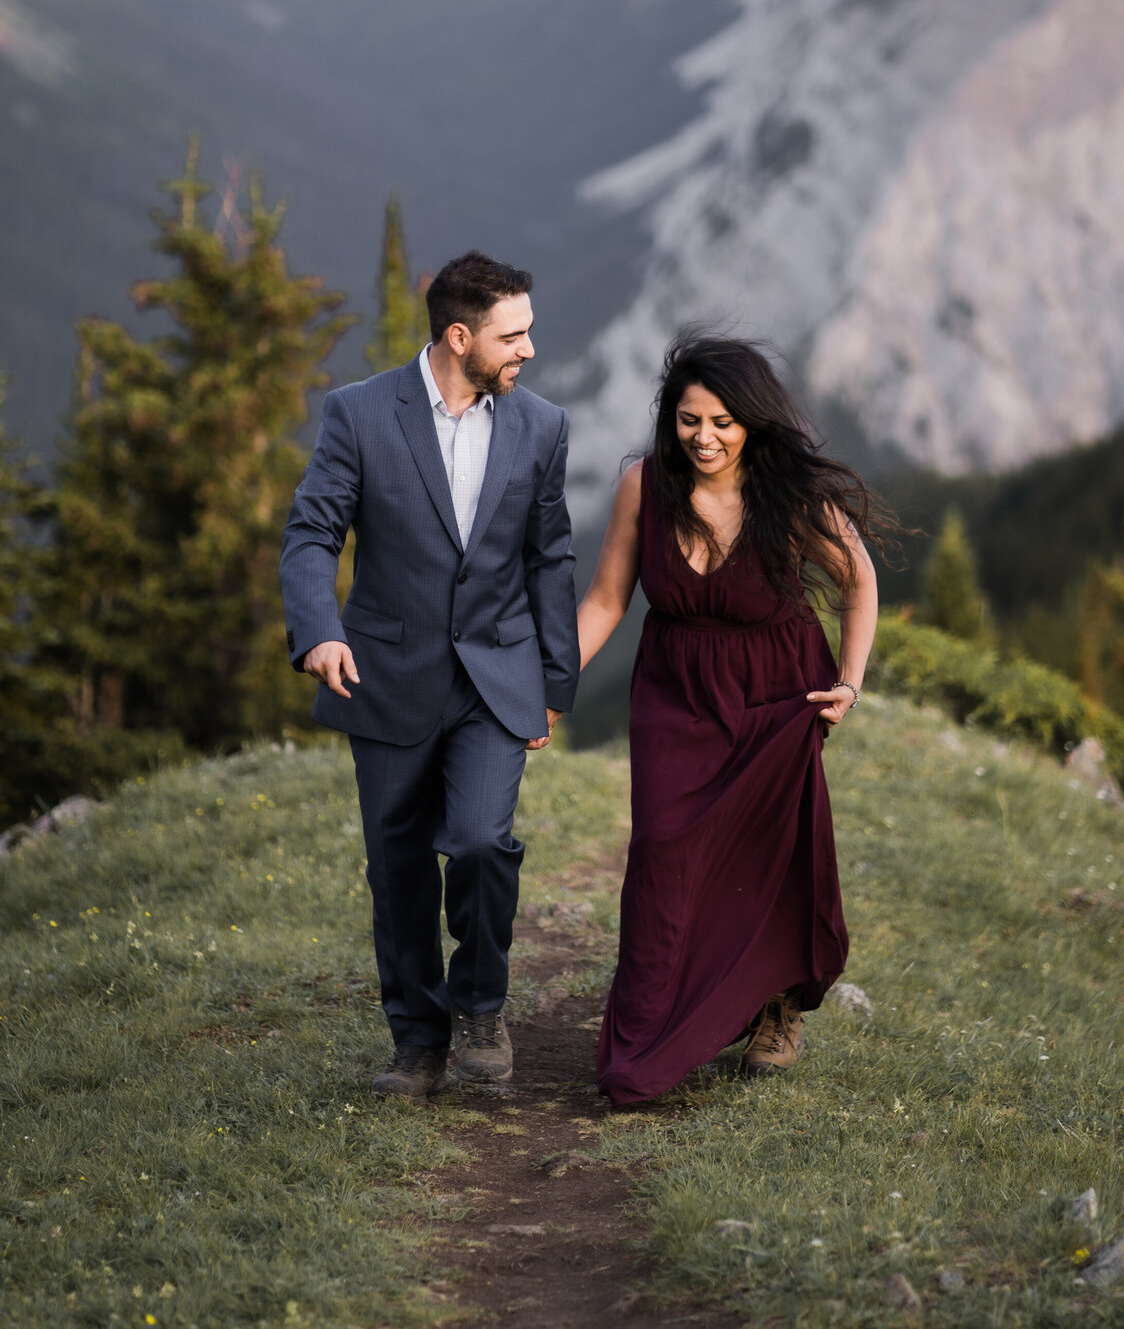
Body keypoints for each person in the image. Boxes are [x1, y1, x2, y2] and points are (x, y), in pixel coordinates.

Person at [279, 251, 579, 1100]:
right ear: (459, 337)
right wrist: (318, 633)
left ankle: (482, 1006)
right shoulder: (359, 414)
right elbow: (311, 535)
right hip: (384, 673)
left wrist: (554, 685)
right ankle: (417, 1037)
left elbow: (549, 558)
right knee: (398, 864)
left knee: (483, 841)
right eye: (512, 334)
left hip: (496, 678)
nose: (529, 348)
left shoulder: (543, 427)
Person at [577, 335, 882, 1107]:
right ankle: (646, 1033)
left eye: (721, 421)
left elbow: (857, 580)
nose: (704, 438)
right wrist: (549, 685)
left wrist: (848, 682)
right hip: (675, 694)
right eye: (687, 421)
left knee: (773, 854)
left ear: (750, 421)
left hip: (777, 693)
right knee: (662, 854)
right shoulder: (644, 489)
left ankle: (778, 1008)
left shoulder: (790, 496)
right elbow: (608, 600)